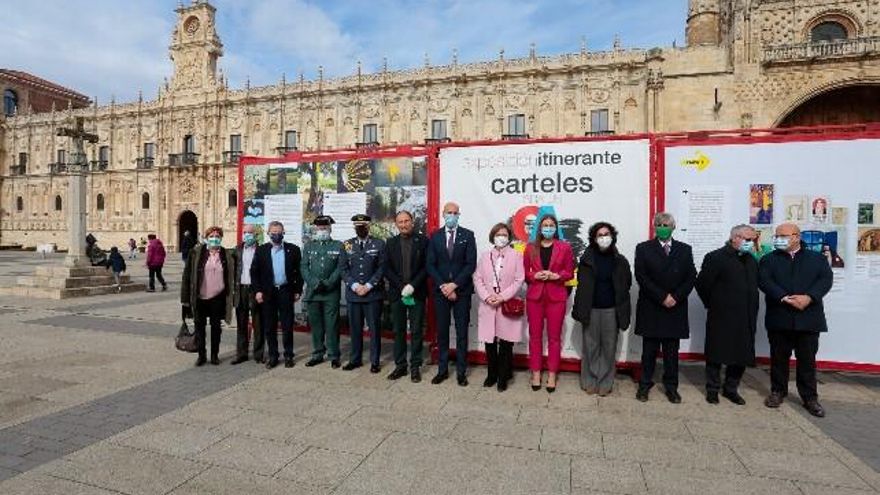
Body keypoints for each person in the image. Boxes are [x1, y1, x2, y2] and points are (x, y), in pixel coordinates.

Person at [759, 223, 833, 417]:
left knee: (807, 360)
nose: (778, 239)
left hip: (808, 317)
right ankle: (778, 391)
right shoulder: (769, 259)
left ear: (796, 237)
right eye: (777, 236)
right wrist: (784, 297)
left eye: (782, 235)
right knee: (778, 358)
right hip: (780, 316)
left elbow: (825, 280)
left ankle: (810, 398)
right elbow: (764, 281)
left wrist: (809, 297)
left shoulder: (816, 259)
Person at [634, 212, 696, 404]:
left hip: (674, 308)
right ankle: (644, 386)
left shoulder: (685, 249)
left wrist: (675, 297)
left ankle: (671, 388)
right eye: (659, 224)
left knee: (671, 353)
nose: (663, 227)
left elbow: (690, 276)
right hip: (652, 306)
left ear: (673, 227)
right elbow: (641, 276)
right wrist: (662, 296)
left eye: (666, 224)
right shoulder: (643, 248)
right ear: (654, 226)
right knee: (649, 352)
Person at [695, 225, 759, 405]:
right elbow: (702, 285)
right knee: (716, 353)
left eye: (753, 240)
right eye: (748, 239)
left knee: (741, 354)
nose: (751, 243)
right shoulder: (715, 257)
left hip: (746, 316)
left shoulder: (751, 261)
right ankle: (712, 389)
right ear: (735, 238)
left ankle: (731, 388)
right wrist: (713, 304)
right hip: (722, 315)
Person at [572, 221, 632, 396]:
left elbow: (626, 283)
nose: (604, 238)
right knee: (590, 347)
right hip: (590, 309)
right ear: (594, 238)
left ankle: (605, 382)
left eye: (607, 234)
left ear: (612, 237)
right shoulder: (586, 259)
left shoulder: (620, 261)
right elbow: (582, 285)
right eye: (600, 235)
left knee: (609, 347)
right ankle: (589, 380)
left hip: (611, 310)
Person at [426, 202, 477, 386]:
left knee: (462, 332)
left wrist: (454, 285)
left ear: (459, 215)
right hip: (441, 293)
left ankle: (461, 372)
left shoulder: (468, 235)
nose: (452, 215)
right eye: (449, 212)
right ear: (443, 214)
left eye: (455, 213)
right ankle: (442, 370)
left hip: (462, 291)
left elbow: (470, 264)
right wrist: (443, 286)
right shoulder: (435, 236)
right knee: (442, 332)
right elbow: (430, 264)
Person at [524, 214, 575, 393]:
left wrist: (557, 276)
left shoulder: (565, 247)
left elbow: (570, 272)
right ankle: (536, 373)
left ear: (556, 228)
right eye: (545, 225)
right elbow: (525, 272)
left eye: (551, 225)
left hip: (556, 296)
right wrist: (533, 275)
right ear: (539, 228)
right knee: (535, 337)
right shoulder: (530, 247)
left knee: (554, 338)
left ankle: (552, 374)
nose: (548, 228)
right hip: (535, 297)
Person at [473, 223, 525, 392]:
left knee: (506, 343)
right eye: (498, 234)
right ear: (492, 237)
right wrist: (487, 296)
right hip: (488, 304)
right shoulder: (485, 256)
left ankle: (503, 376)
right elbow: (477, 278)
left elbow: (519, 280)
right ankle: (491, 374)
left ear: (509, 237)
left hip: (506, 304)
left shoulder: (516, 256)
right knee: (490, 342)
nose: (501, 237)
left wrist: (502, 297)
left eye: (504, 234)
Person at [384, 211, 429, 382]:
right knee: (398, 331)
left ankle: (415, 366)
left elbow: (426, 266)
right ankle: (400, 365)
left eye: (406, 221)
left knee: (416, 330)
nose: (404, 224)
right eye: (400, 222)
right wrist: (401, 286)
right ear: (396, 224)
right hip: (397, 294)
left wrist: (412, 285)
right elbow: (386, 268)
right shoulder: (391, 243)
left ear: (412, 222)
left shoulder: (423, 241)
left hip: (416, 293)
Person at [251, 221, 303, 369]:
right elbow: (254, 273)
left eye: (278, 232)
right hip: (268, 292)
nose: (276, 235)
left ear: (283, 233)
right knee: (269, 326)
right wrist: (258, 291)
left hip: (286, 291)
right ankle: (273, 355)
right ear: (268, 234)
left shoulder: (293, 250)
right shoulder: (261, 250)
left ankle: (288, 355)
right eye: (273, 233)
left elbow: (299, 273)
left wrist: (297, 290)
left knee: (287, 325)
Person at [181, 226, 235, 366]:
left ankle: (214, 355)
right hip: (200, 298)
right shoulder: (196, 253)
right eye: (211, 236)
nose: (214, 238)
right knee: (200, 328)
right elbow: (187, 276)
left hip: (218, 297)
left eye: (217, 236)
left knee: (216, 328)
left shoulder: (226, 254)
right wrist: (185, 299)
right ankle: (201, 355)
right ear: (206, 238)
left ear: (221, 238)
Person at [340, 214, 386, 373]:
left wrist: (368, 285)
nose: (360, 228)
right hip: (354, 295)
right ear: (354, 227)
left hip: (372, 295)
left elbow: (382, 268)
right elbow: (343, 269)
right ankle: (355, 359)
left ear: (369, 226)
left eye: (363, 225)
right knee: (355, 329)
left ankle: (375, 361)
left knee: (374, 329)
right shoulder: (347, 245)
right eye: (357, 226)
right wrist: (353, 285)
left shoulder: (379, 244)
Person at [302, 215, 344, 368]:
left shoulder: (338, 246)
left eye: (325, 228)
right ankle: (318, 353)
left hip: (330, 292)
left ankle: (334, 355)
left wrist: (327, 283)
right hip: (313, 292)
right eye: (319, 228)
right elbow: (304, 267)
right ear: (315, 229)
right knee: (316, 325)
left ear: (330, 228)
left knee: (332, 325)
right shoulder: (309, 246)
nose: (322, 230)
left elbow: (340, 268)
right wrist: (314, 283)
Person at [231, 224, 264, 365]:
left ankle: (259, 354)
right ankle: (242, 353)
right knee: (241, 323)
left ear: (255, 235)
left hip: (255, 290)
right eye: (245, 232)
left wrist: (261, 290)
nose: (247, 235)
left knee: (258, 323)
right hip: (241, 289)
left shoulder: (262, 251)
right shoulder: (237, 250)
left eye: (250, 233)